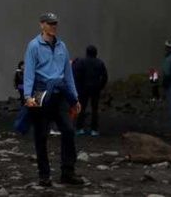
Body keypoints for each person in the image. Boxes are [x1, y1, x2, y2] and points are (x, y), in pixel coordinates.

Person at [22, 11, 85, 188]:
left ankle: (68, 171)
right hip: (41, 94)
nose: (53, 26)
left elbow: (68, 74)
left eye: (55, 23)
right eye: (50, 23)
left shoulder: (62, 47)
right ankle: (44, 175)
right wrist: (28, 96)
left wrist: (75, 99)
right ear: (41, 25)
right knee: (41, 136)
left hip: (61, 94)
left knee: (69, 131)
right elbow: (29, 72)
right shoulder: (34, 46)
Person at [73, 45, 108, 137]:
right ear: (96, 53)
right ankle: (94, 129)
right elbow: (104, 77)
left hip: (83, 89)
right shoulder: (99, 63)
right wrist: (100, 86)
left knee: (81, 108)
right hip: (95, 89)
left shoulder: (81, 62)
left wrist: (78, 87)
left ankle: (80, 128)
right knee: (94, 109)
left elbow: (77, 75)